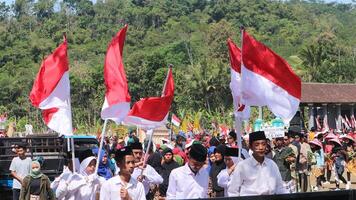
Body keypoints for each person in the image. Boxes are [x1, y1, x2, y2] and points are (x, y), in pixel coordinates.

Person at [227, 131, 288, 196]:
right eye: (257, 145)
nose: (261, 148)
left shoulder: (272, 165)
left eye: (263, 144)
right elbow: (233, 191)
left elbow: (280, 188)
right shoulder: (242, 166)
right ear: (250, 147)